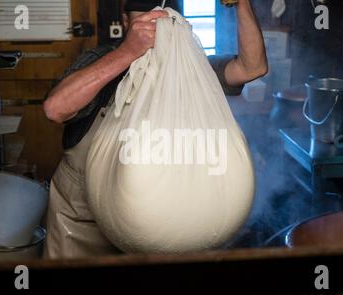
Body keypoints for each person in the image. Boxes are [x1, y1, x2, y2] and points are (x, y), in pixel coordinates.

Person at [43, 0, 268, 259]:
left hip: (162, 223)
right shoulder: (99, 59)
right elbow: (55, 108)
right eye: (144, 24)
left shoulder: (192, 70)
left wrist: (242, 4)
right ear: (125, 22)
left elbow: (253, 68)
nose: (153, 33)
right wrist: (128, 52)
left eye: (162, 23)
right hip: (84, 224)